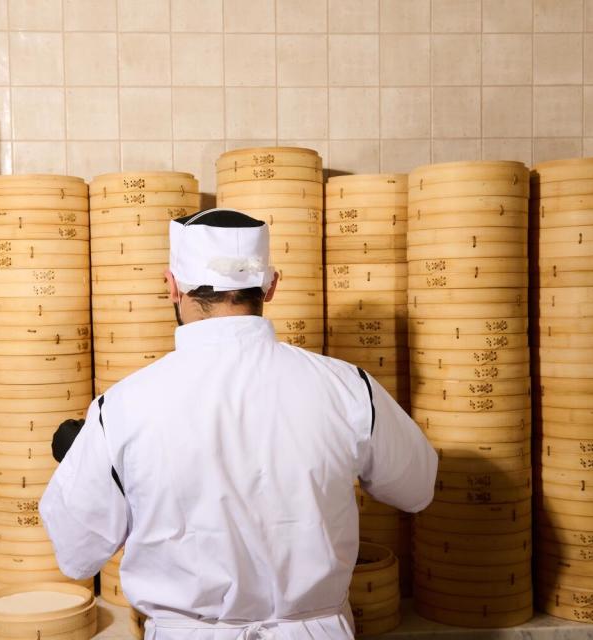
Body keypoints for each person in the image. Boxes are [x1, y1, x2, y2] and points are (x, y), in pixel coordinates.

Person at [39, 208, 438, 639]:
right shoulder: (347, 387)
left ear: (171, 286)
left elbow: (76, 550)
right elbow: (417, 488)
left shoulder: (120, 408)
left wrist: (84, 458)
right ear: (270, 286)